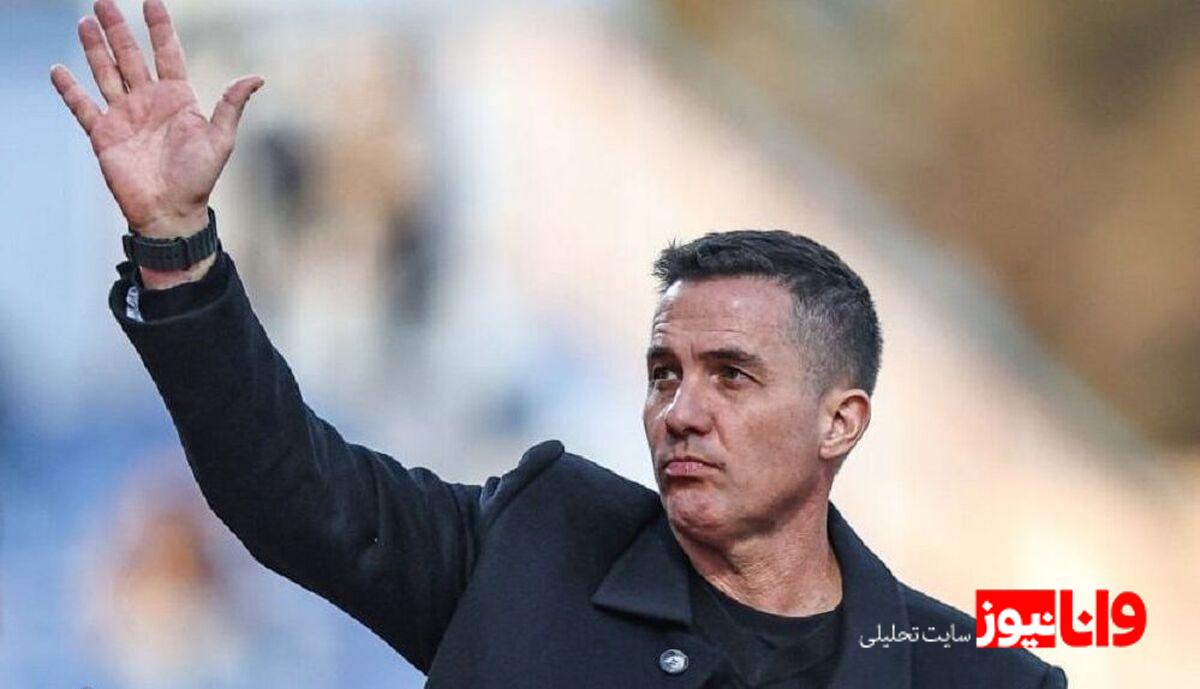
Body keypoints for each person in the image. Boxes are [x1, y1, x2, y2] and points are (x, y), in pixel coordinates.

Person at [51, 2, 1068, 687]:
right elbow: (287, 486)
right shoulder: (532, 543)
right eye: (664, 372)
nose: (681, 410)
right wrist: (176, 244)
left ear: (840, 420)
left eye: (732, 375)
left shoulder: (977, 676)